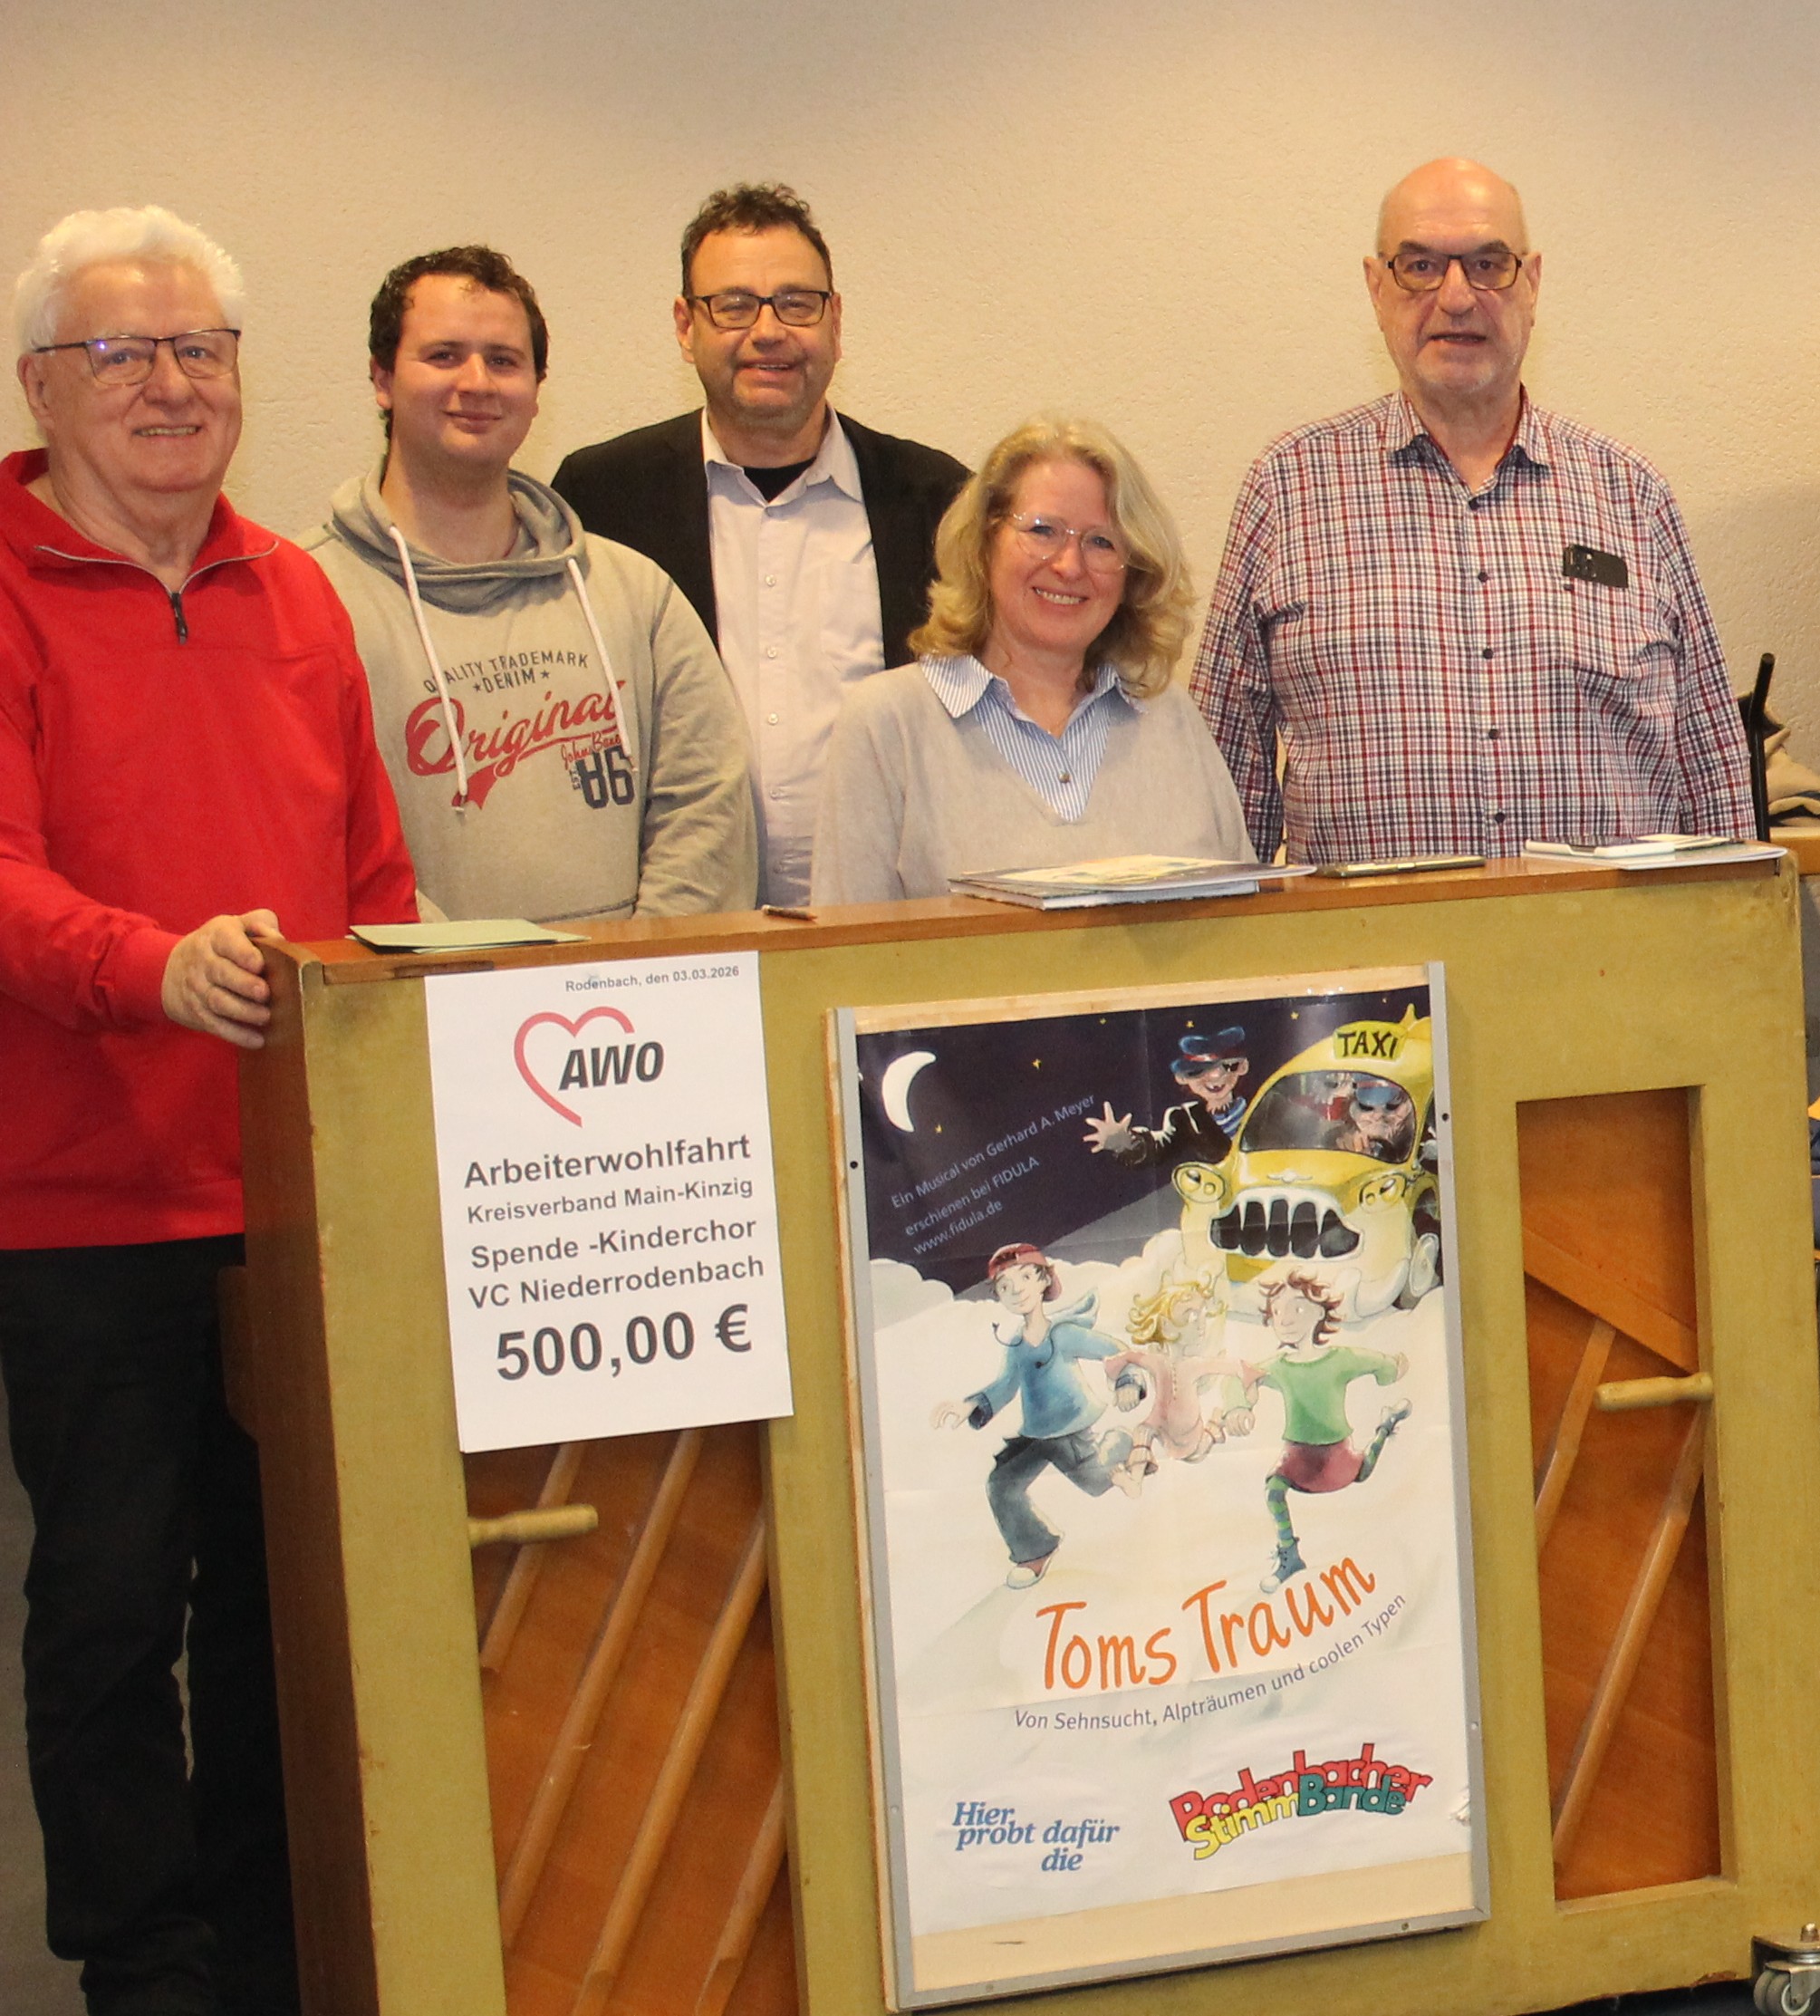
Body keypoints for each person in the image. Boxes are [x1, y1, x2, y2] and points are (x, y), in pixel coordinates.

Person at [0, 207, 416, 2016]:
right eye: (123, 353)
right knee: (107, 1613)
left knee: (280, 1604)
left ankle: (272, 1942)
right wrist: (148, 967)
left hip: (296, 1197)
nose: (170, 386)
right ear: (41, 385)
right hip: (81, 1206)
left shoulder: (296, 592)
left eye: (201, 350)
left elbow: (371, 874)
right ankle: (143, 1965)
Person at [1189, 157, 1754, 864]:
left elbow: (1711, 768)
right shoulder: (1287, 486)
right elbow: (1221, 781)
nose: (1456, 297)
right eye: (1420, 266)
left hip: (1609, 936)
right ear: (1375, 287)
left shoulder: (1631, 492)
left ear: (1531, 283)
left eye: (1487, 264)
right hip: (1372, 937)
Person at [305, 246, 755, 921]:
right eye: (444, 355)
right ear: (382, 377)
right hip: (415, 986)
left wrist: (640, 965)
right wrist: (462, 977)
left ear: (538, 389)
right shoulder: (306, 600)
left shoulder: (635, 595)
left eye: (504, 360)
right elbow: (315, 839)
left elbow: (706, 807)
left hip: (636, 985)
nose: (477, 382)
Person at [551, 183, 967, 904]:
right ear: (685, 326)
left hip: (888, 922)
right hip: (676, 923)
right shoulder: (599, 500)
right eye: (733, 305)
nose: (768, 331)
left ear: (835, 321)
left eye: (796, 303)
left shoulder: (940, 502)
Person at [812, 416, 1254, 902]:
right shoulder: (887, 725)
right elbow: (844, 943)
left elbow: (1245, 928)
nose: (1069, 565)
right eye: (1043, 531)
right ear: (984, 544)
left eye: (1101, 542)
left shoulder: (1170, 717)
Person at [930, 1245, 1131, 1589]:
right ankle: (1035, 1550)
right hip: (1035, 1435)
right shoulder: (1015, 1345)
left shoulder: (1063, 1334)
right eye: (1005, 1286)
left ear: (1044, 1281)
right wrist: (969, 1406)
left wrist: (1128, 1382)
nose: (1017, 1290)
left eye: (1025, 1277)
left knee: (1097, 1484)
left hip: (1070, 1431)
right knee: (1002, 1486)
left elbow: (1116, 1351)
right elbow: (1005, 1386)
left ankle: (1121, 1441)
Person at [1232, 1274, 1411, 1595]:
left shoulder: (1340, 1359)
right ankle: (1290, 1557)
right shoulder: (1279, 1366)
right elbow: (1237, 1377)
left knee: (1363, 1472)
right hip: (1297, 1459)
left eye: (1297, 1309)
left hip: (1336, 1457)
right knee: (1274, 1490)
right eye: (1277, 1311)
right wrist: (1238, 1407)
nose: (1285, 1319)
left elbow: (1379, 1363)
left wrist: (1394, 1367)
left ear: (1318, 1312)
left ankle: (1387, 1424)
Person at [1083, 1027, 1251, 1172]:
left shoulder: (1260, 1100)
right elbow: (1159, 1147)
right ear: (1182, 1078)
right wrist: (1124, 1143)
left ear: (1243, 1067)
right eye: (1198, 1071)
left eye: (1229, 1066)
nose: (1216, 1076)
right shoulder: (1184, 1117)